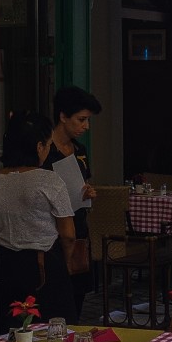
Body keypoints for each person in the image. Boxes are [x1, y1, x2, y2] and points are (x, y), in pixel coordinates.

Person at [0, 111, 76, 342]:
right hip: (46, 268)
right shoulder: (47, 180)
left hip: (7, 268)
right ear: (40, 146)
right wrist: (66, 266)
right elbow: (68, 233)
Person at [45, 85, 101, 320]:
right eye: (81, 120)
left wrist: (87, 192)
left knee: (78, 293)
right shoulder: (45, 151)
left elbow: (83, 181)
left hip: (78, 228)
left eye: (87, 120)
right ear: (63, 116)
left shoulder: (79, 150)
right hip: (53, 232)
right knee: (57, 297)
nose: (85, 126)